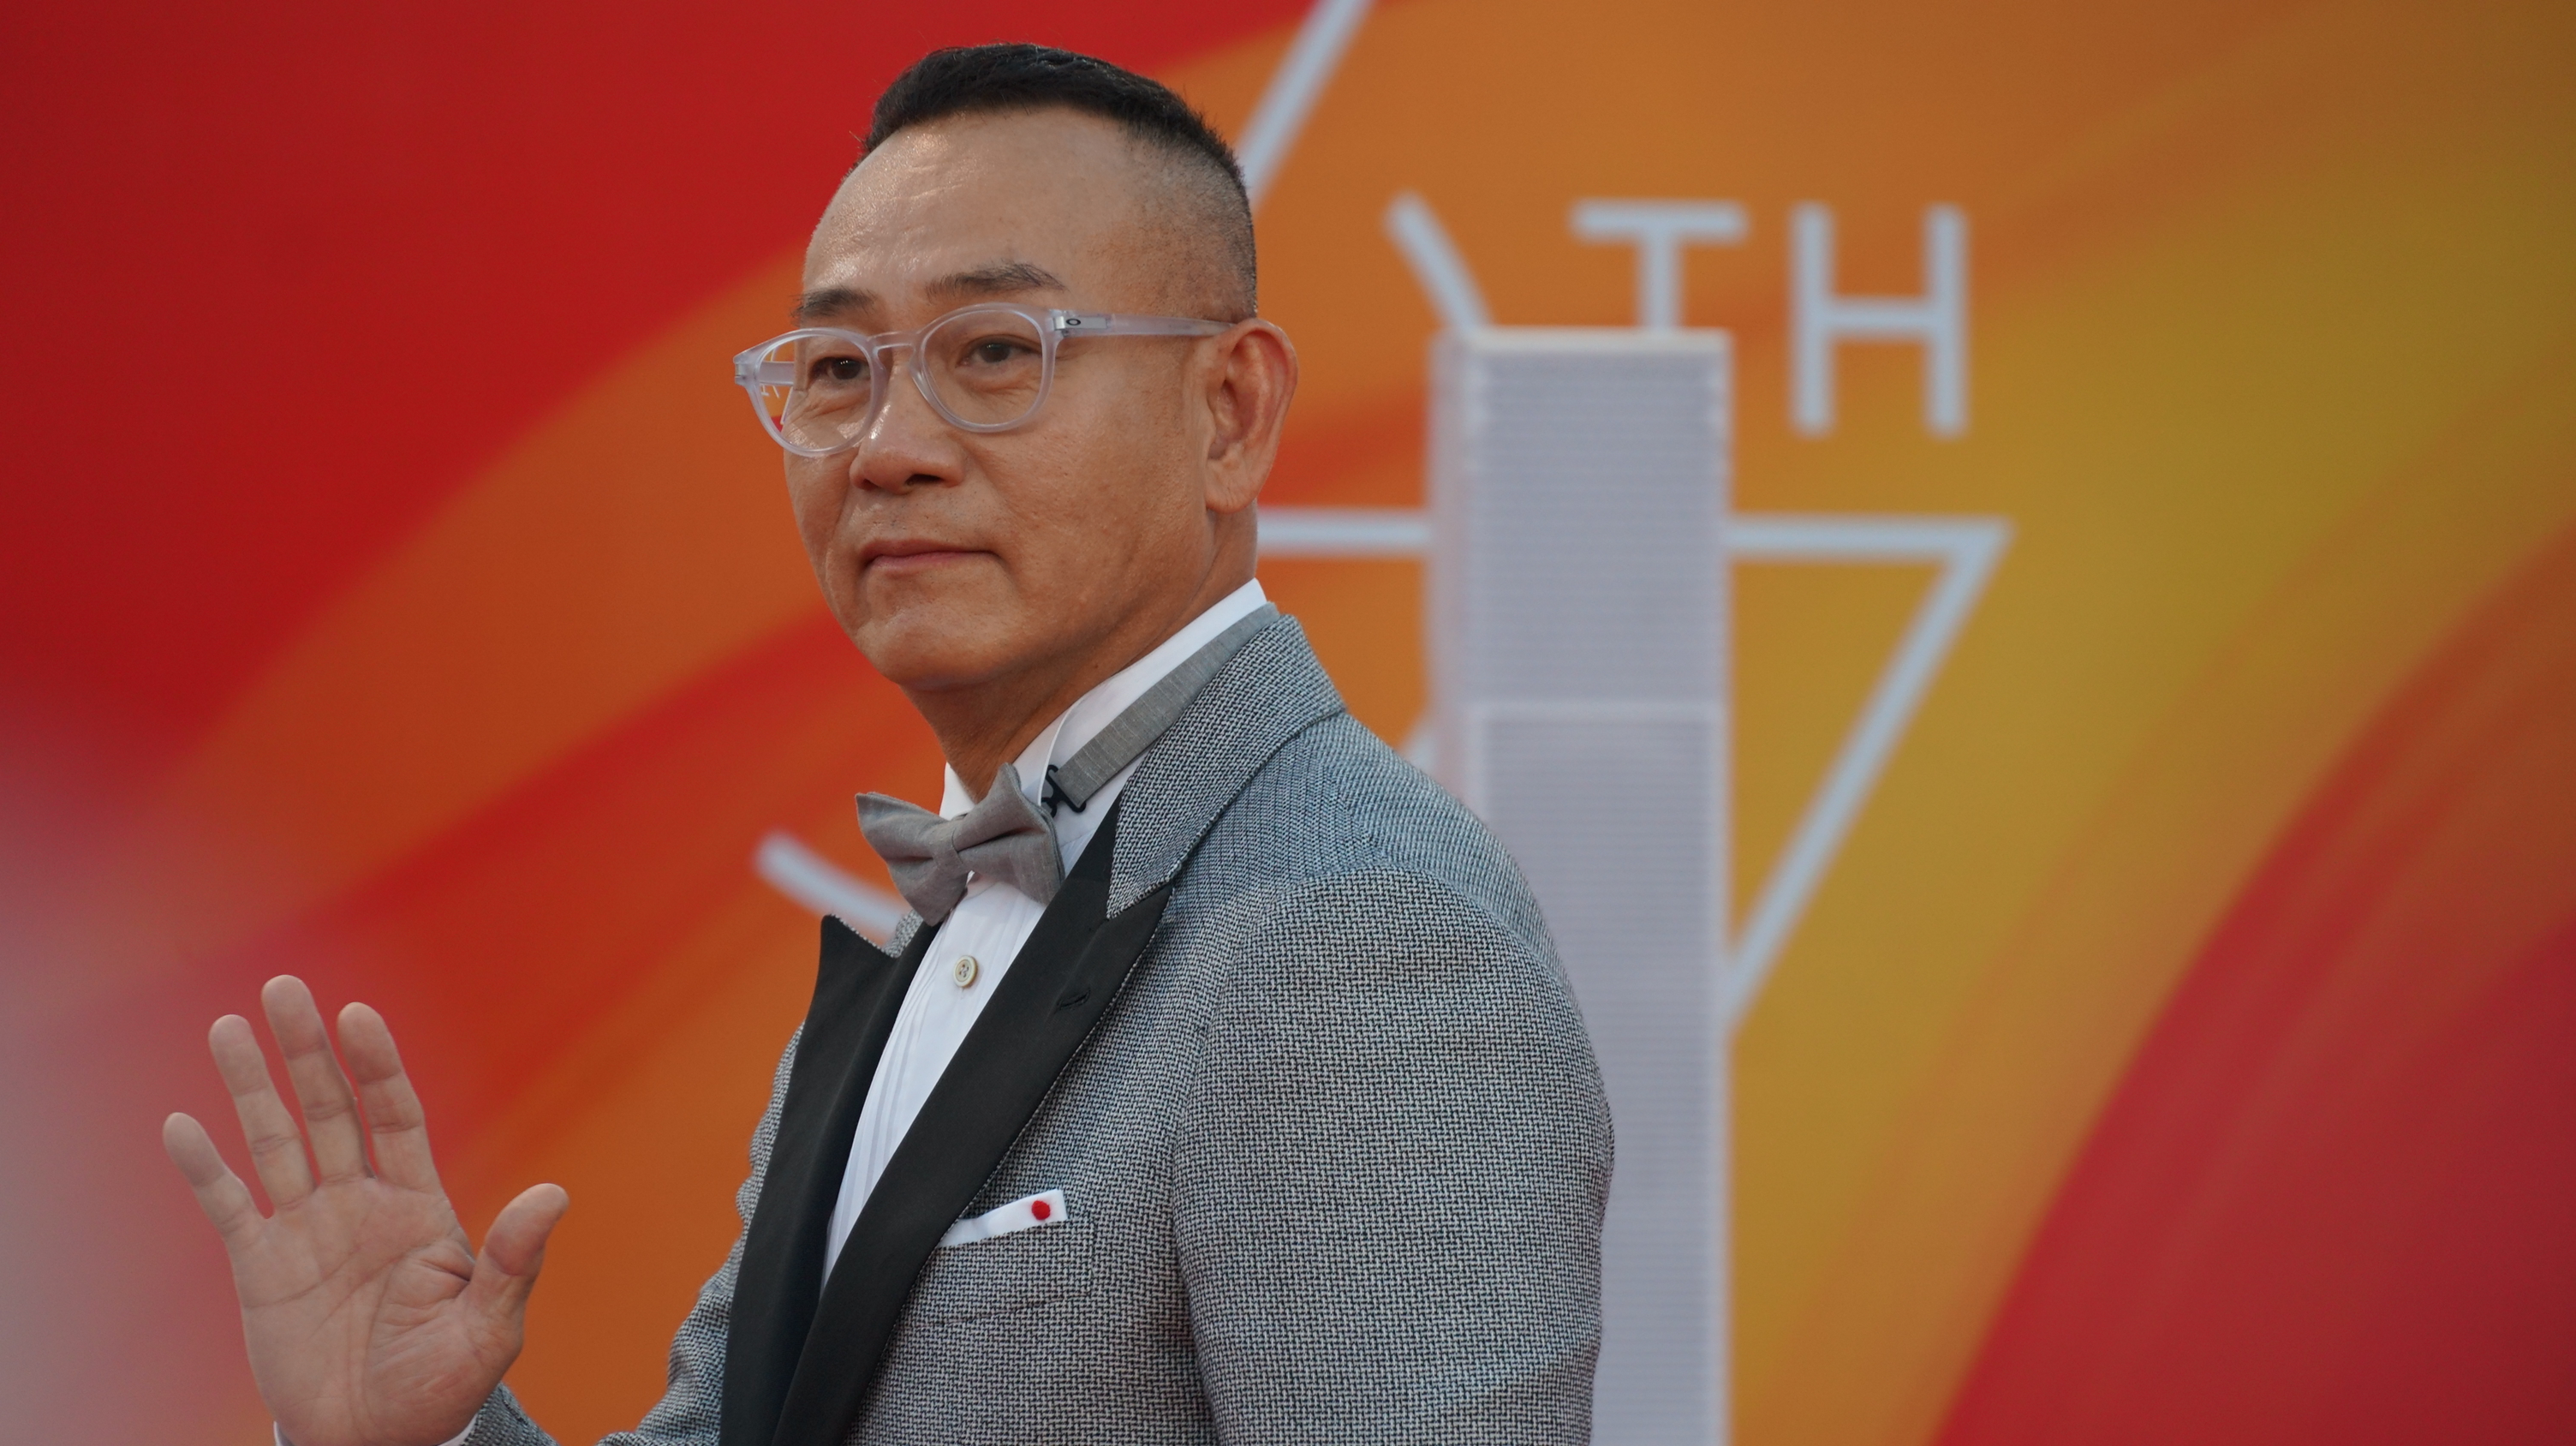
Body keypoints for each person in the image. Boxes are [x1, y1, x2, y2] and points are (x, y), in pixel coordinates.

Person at [163, 42, 1612, 1446]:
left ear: (1229, 413)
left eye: (996, 352)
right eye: (840, 368)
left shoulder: (1354, 929)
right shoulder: (945, 924)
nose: (887, 447)